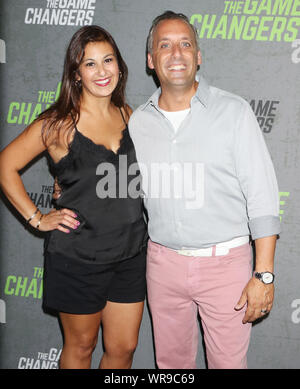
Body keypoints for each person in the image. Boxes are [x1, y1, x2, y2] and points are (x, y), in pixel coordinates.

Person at [128, 11, 281, 369]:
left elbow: (262, 196)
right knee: (171, 367)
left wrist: (264, 274)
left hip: (225, 267)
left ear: (199, 56)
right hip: (162, 265)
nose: (176, 53)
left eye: (185, 44)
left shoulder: (234, 112)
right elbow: (121, 186)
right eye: (164, 45)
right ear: (151, 60)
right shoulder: (138, 123)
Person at [0, 25, 148, 369]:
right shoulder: (58, 125)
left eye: (108, 60)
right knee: (81, 347)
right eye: (90, 64)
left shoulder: (129, 114)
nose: (102, 71)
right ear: (76, 74)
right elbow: (6, 165)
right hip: (78, 257)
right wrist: (36, 218)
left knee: (124, 348)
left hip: (130, 254)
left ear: (120, 66)